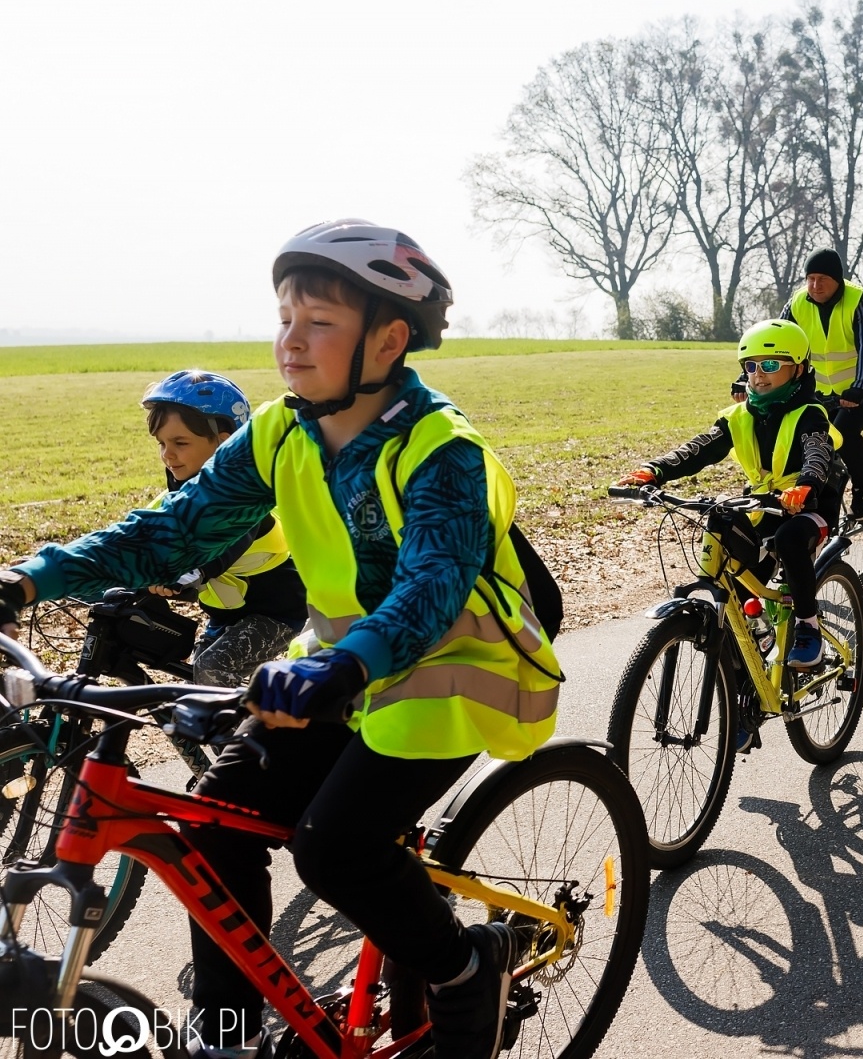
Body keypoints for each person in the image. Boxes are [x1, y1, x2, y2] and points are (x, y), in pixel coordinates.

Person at [0, 219, 564, 1059]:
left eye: (318, 322)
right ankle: (225, 1036)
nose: (289, 342)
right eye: (284, 318)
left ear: (389, 339)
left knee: (334, 849)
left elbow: (431, 588)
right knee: (216, 823)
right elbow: (175, 530)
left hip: (448, 666)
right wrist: (30, 579)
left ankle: (462, 969)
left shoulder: (444, 450)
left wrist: (347, 666)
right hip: (335, 665)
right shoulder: (282, 430)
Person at [623, 319, 842, 674]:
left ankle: (807, 625)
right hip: (763, 506)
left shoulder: (810, 414)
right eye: (750, 365)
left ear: (798, 368)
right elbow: (698, 449)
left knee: (789, 538)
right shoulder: (739, 416)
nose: (758, 375)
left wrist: (805, 486)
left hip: (810, 506)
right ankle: (744, 690)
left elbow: (817, 452)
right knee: (733, 568)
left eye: (770, 365)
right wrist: (655, 470)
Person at [132, 371, 309, 686]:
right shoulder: (175, 500)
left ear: (224, 443)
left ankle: (252, 734)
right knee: (197, 691)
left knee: (213, 668)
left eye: (180, 442)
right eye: (161, 443)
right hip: (225, 616)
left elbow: (227, 543)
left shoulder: (246, 504)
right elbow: (131, 536)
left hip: (278, 616)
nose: (166, 454)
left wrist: (189, 572)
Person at [777, 248, 863, 522]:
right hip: (823, 389)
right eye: (810, 278)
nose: (815, 285)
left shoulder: (860, 301)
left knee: (843, 434)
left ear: (838, 279)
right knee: (802, 436)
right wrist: (747, 378)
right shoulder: (798, 303)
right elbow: (776, 342)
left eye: (822, 278)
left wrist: (859, 388)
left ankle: (862, 491)